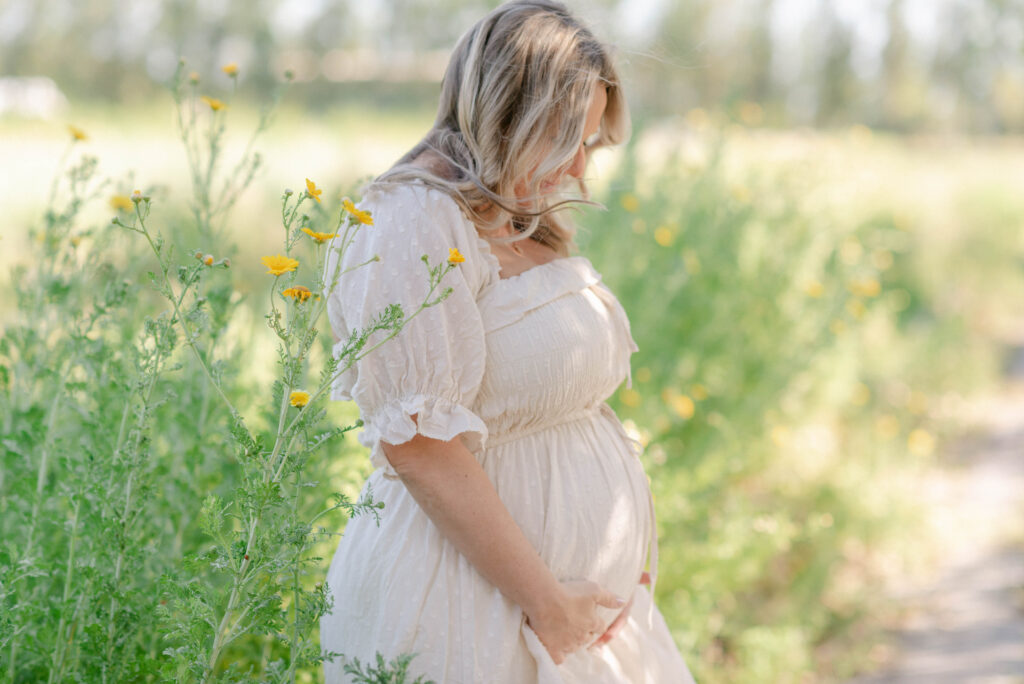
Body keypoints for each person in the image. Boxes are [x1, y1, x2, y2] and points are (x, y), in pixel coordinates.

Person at [320, 1, 696, 682]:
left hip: (573, 615)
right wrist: (547, 601)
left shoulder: (514, 217)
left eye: (589, 144)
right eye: (568, 141)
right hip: (470, 607)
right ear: (511, 117)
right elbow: (420, 448)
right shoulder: (409, 221)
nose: (580, 170)